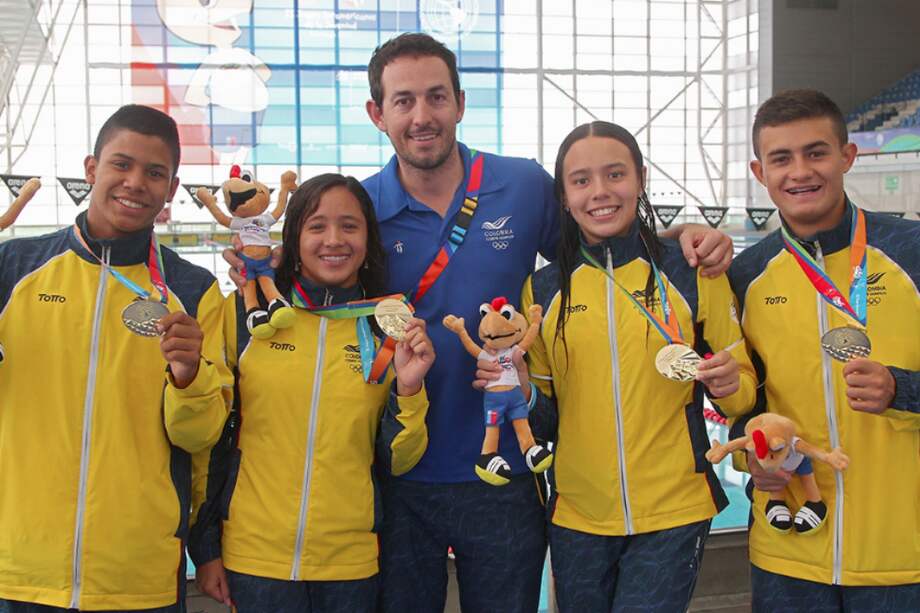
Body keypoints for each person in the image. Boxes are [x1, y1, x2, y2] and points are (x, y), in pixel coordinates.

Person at [224, 32, 735, 613]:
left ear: (460, 104)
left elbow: (597, 247)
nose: (423, 116)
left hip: (504, 475)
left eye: (437, 97)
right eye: (404, 100)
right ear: (377, 113)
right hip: (399, 480)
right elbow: (311, 300)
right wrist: (251, 266)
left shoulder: (523, 186)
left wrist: (680, 238)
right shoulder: (360, 211)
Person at [509, 121, 756, 611]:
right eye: (581, 180)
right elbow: (543, 423)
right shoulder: (544, 290)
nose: (599, 192)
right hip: (579, 515)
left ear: (640, 178)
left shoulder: (690, 272)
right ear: (564, 195)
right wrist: (523, 393)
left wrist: (730, 382)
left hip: (674, 509)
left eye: (615, 174)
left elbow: (744, 391)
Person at [0, 105, 231, 611]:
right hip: (18, 568)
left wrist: (189, 378)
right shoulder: (14, 269)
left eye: (154, 173)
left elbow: (203, 439)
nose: (135, 183)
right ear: (90, 170)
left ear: (172, 189)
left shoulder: (194, 291)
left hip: (138, 572)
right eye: (120, 165)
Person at [190, 173, 434, 613]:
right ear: (295, 236)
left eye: (350, 226)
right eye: (317, 226)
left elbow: (398, 458)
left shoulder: (386, 327)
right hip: (255, 559)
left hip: (351, 565)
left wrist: (410, 389)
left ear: (368, 239)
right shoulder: (246, 317)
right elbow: (208, 442)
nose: (334, 240)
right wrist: (205, 546)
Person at [727, 89, 920, 611]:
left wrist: (903, 389)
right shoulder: (746, 276)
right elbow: (744, 404)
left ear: (846, 156)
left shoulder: (911, 252)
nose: (800, 172)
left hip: (902, 554)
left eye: (816, 152)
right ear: (759, 171)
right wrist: (751, 457)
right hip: (789, 551)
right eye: (781, 158)